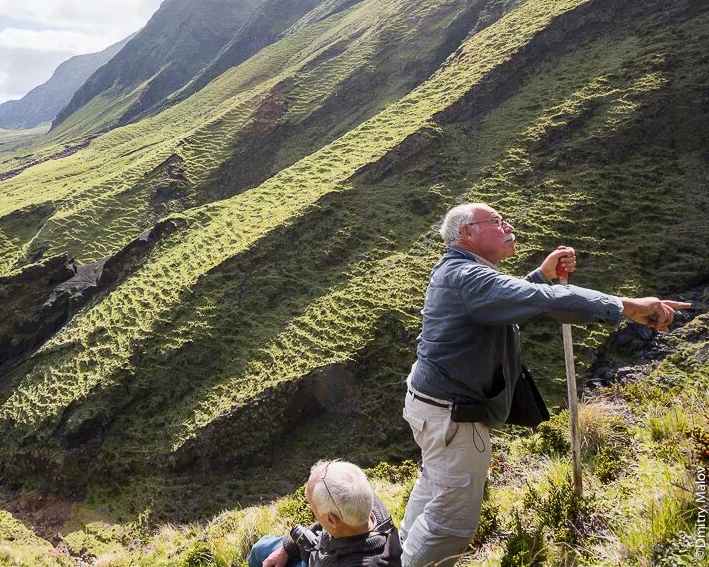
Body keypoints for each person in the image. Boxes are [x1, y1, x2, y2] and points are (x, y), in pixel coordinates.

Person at [400, 203, 690, 567]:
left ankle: (397, 555)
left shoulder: (464, 272)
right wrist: (628, 307)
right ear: (468, 234)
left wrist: (540, 274)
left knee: (433, 488)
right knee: (451, 525)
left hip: (432, 407)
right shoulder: (468, 278)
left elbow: (508, 297)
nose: (509, 227)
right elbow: (545, 301)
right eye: (497, 222)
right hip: (452, 418)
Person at [249, 460, 402, 567]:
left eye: (314, 510)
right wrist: (288, 548)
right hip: (321, 551)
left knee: (259, 553)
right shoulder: (360, 499)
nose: (313, 513)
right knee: (260, 549)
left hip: (319, 559)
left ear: (331, 520)